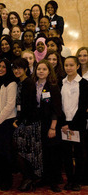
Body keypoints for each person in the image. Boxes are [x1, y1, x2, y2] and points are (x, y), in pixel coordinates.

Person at [32, 59, 62, 192]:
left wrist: (53, 127)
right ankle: (44, 178)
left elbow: (57, 109)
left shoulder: (52, 86)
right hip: (38, 124)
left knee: (53, 154)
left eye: (44, 69)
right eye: (39, 69)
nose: (41, 71)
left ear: (49, 71)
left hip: (50, 124)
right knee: (42, 153)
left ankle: (54, 181)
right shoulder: (33, 85)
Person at [12, 58, 42, 192]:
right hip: (24, 121)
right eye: (15, 68)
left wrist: (18, 121)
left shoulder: (28, 83)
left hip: (29, 123)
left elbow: (29, 105)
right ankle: (28, 177)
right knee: (22, 152)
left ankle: (29, 177)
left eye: (20, 68)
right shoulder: (21, 82)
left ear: (25, 69)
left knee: (27, 153)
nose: (17, 71)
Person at [60, 56, 88, 191]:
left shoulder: (84, 83)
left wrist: (71, 125)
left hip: (78, 123)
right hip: (64, 124)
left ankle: (77, 180)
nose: (68, 68)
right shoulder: (61, 83)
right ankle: (70, 180)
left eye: (71, 65)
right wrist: (64, 123)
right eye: (66, 65)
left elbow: (83, 107)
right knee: (66, 154)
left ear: (77, 66)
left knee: (79, 153)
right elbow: (59, 105)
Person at [0, 59, 17, 191]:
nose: (0, 69)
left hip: (5, 123)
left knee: (5, 152)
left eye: (3, 67)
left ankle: (6, 180)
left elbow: (10, 106)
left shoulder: (11, 83)